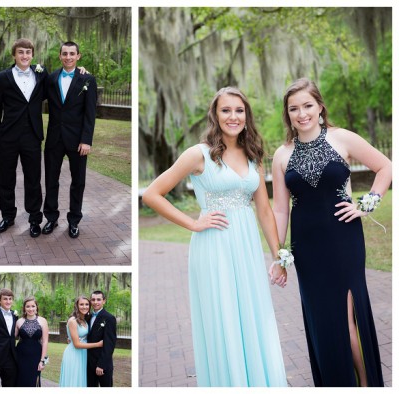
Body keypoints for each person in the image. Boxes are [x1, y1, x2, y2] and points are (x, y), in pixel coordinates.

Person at [141, 87, 288, 386]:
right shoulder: (199, 154)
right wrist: (192, 223)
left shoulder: (253, 155)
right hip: (214, 245)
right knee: (224, 320)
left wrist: (279, 256)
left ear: (246, 115)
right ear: (215, 115)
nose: (233, 116)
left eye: (239, 110)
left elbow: (263, 210)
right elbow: (152, 194)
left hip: (246, 247)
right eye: (226, 110)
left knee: (253, 314)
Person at [271, 78, 389, 387]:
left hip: (343, 239)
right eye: (294, 108)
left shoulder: (342, 138)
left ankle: (365, 385)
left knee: (347, 319)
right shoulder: (281, 155)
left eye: (307, 106)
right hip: (307, 247)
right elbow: (281, 210)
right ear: (287, 114)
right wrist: (279, 254)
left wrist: (367, 204)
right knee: (323, 321)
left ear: (320, 106)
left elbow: (386, 167)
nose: (302, 114)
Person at [0, 38, 47, 237]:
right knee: (6, 178)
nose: (24, 56)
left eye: (28, 52)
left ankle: (34, 220)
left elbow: (62, 80)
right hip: (8, 136)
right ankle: (8, 217)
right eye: (20, 52)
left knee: (33, 179)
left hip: (32, 135)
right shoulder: (2, 78)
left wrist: (81, 70)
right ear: (14, 55)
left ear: (32, 55)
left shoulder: (41, 74)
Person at [42, 41, 97, 238]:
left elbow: (90, 113)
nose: (68, 57)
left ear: (78, 56)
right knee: (50, 180)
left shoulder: (87, 79)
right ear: (60, 56)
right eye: (65, 54)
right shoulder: (51, 78)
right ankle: (51, 218)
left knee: (78, 181)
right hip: (54, 138)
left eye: (72, 54)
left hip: (78, 141)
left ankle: (74, 221)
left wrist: (86, 140)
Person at [58, 295, 103, 387]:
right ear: (77, 306)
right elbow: (77, 344)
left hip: (83, 354)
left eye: (87, 304)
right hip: (74, 354)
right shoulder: (73, 321)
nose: (84, 307)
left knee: (81, 381)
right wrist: (98, 344)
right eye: (81, 304)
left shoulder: (85, 320)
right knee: (73, 381)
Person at [85, 291, 118, 387]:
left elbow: (109, 344)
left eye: (98, 299)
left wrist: (101, 365)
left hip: (102, 364)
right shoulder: (88, 317)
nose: (95, 302)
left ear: (104, 301)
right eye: (93, 299)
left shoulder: (109, 318)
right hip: (88, 363)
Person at [14, 297, 49, 387]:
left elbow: (45, 342)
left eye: (33, 306)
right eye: (28, 306)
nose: (30, 309)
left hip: (36, 357)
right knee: (20, 381)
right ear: (24, 308)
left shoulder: (43, 321)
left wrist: (43, 361)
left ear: (36, 307)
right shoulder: (19, 321)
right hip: (20, 356)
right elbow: (11, 338)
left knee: (33, 381)